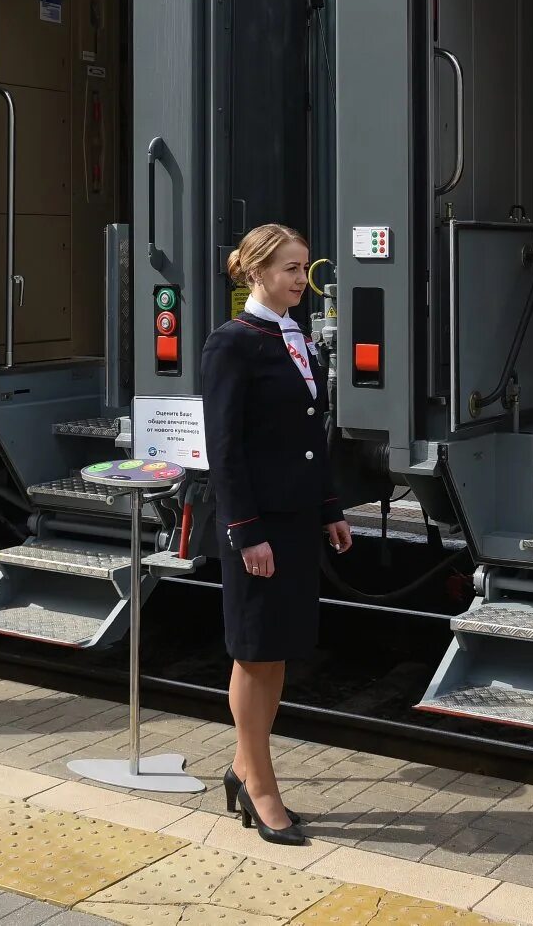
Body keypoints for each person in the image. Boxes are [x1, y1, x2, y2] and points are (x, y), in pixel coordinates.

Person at [201, 223, 350, 846]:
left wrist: (330, 509)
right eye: (291, 268)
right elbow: (225, 450)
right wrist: (245, 532)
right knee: (254, 651)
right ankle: (260, 785)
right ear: (258, 272)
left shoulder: (295, 340)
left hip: (294, 520)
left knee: (277, 650)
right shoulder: (232, 343)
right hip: (258, 526)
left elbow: (310, 438)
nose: (302, 279)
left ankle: (244, 768)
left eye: (305, 266)